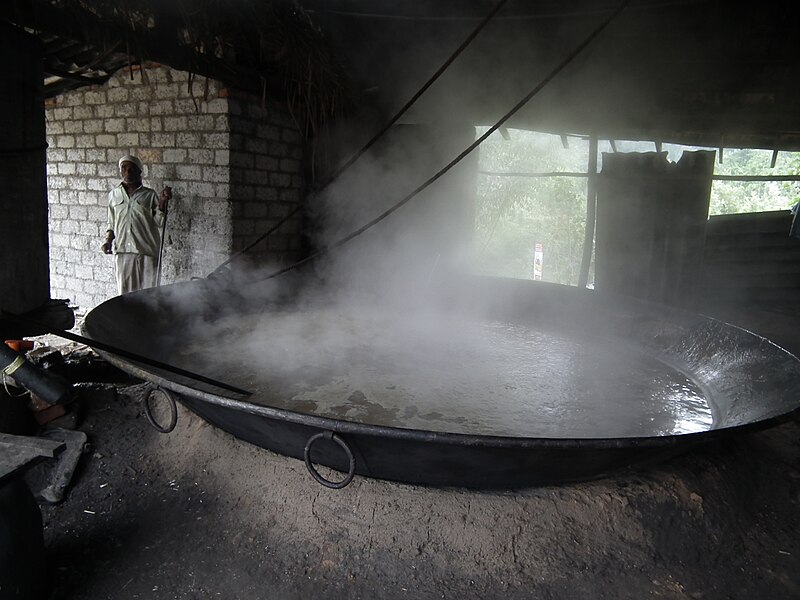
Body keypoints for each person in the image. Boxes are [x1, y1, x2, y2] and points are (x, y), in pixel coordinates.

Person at [101, 155, 172, 294]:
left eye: (132, 169)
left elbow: (160, 221)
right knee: (125, 296)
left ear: (140, 172)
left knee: (149, 295)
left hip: (146, 251)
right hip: (123, 252)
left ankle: (148, 316)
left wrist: (163, 201)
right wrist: (107, 241)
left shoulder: (149, 195)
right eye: (124, 168)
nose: (128, 172)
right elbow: (111, 222)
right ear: (120, 171)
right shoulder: (114, 195)